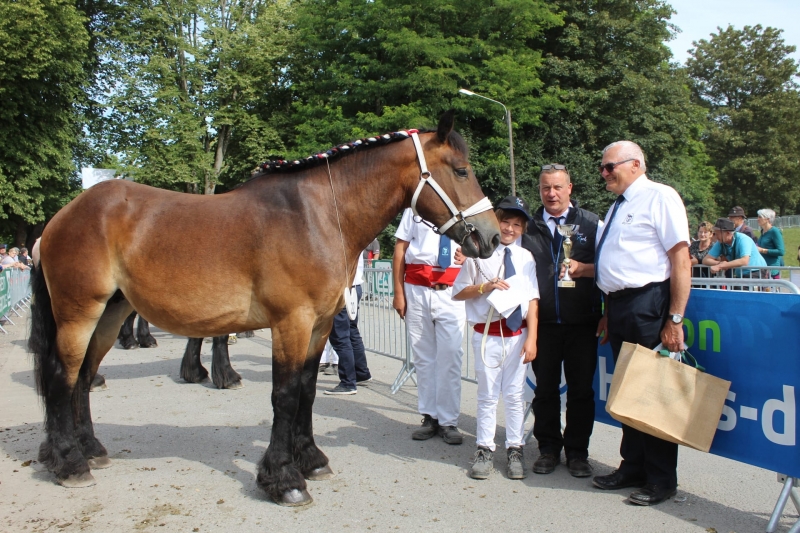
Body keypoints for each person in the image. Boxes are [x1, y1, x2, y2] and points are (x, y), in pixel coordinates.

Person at [591, 140, 691, 506]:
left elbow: (681, 260)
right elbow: (618, 266)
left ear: (634, 164)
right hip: (619, 307)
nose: (603, 173)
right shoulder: (619, 205)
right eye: (603, 167)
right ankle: (632, 466)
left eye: (608, 167)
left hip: (649, 304)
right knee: (630, 393)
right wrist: (607, 310)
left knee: (653, 394)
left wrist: (675, 318)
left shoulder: (660, 197)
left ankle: (662, 479)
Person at [520, 164, 601, 478]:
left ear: (570, 188)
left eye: (557, 187)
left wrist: (582, 268)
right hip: (544, 323)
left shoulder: (592, 224)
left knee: (582, 391)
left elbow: (609, 268)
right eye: (545, 188)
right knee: (545, 391)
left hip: (582, 322)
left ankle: (578, 453)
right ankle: (548, 449)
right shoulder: (528, 226)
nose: (551, 194)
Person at [453, 196, 538, 480]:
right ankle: (484, 449)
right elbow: (459, 291)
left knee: (515, 396)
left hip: (517, 335)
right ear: (495, 221)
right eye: (505, 222)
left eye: (517, 224)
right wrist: (484, 287)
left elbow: (533, 300)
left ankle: (515, 448)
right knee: (487, 395)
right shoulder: (478, 253)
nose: (510, 229)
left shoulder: (526, 258)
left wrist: (532, 338)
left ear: (523, 229)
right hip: (487, 333)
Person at [393, 208, 466, 445]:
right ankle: (429, 416)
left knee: (451, 357)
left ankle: (448, 421)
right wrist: (398, 293)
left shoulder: (465, 209)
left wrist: (470, 255)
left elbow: (480, 245)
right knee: (424, 357)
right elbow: (400, 249)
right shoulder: (414, 210)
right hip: (417, 289)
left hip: (452, 291)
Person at [324, 250, 372, 395]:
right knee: (351, 331)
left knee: (340, 335)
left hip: (343, 287)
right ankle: (361, 373)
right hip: (354, 286)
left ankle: (348, 382)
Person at [703, 218, 768, 278]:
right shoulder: (720, 242)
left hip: (756, 271)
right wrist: (719, 264)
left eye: (717, 234)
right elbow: (705, 260)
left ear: (728, 233)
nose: (715, 236)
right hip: (741, 273)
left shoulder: (743, 239)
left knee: (740, 289)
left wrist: (721, 266)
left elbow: (744, 261)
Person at [756, 209, 785, 279]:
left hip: (772, 270)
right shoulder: (763, 232)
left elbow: (781, 251)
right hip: (763, 268)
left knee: (771, 289)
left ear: (767, 219)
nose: (757, 219)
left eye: (760, 217)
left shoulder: (775, 231)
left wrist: (762, 250)